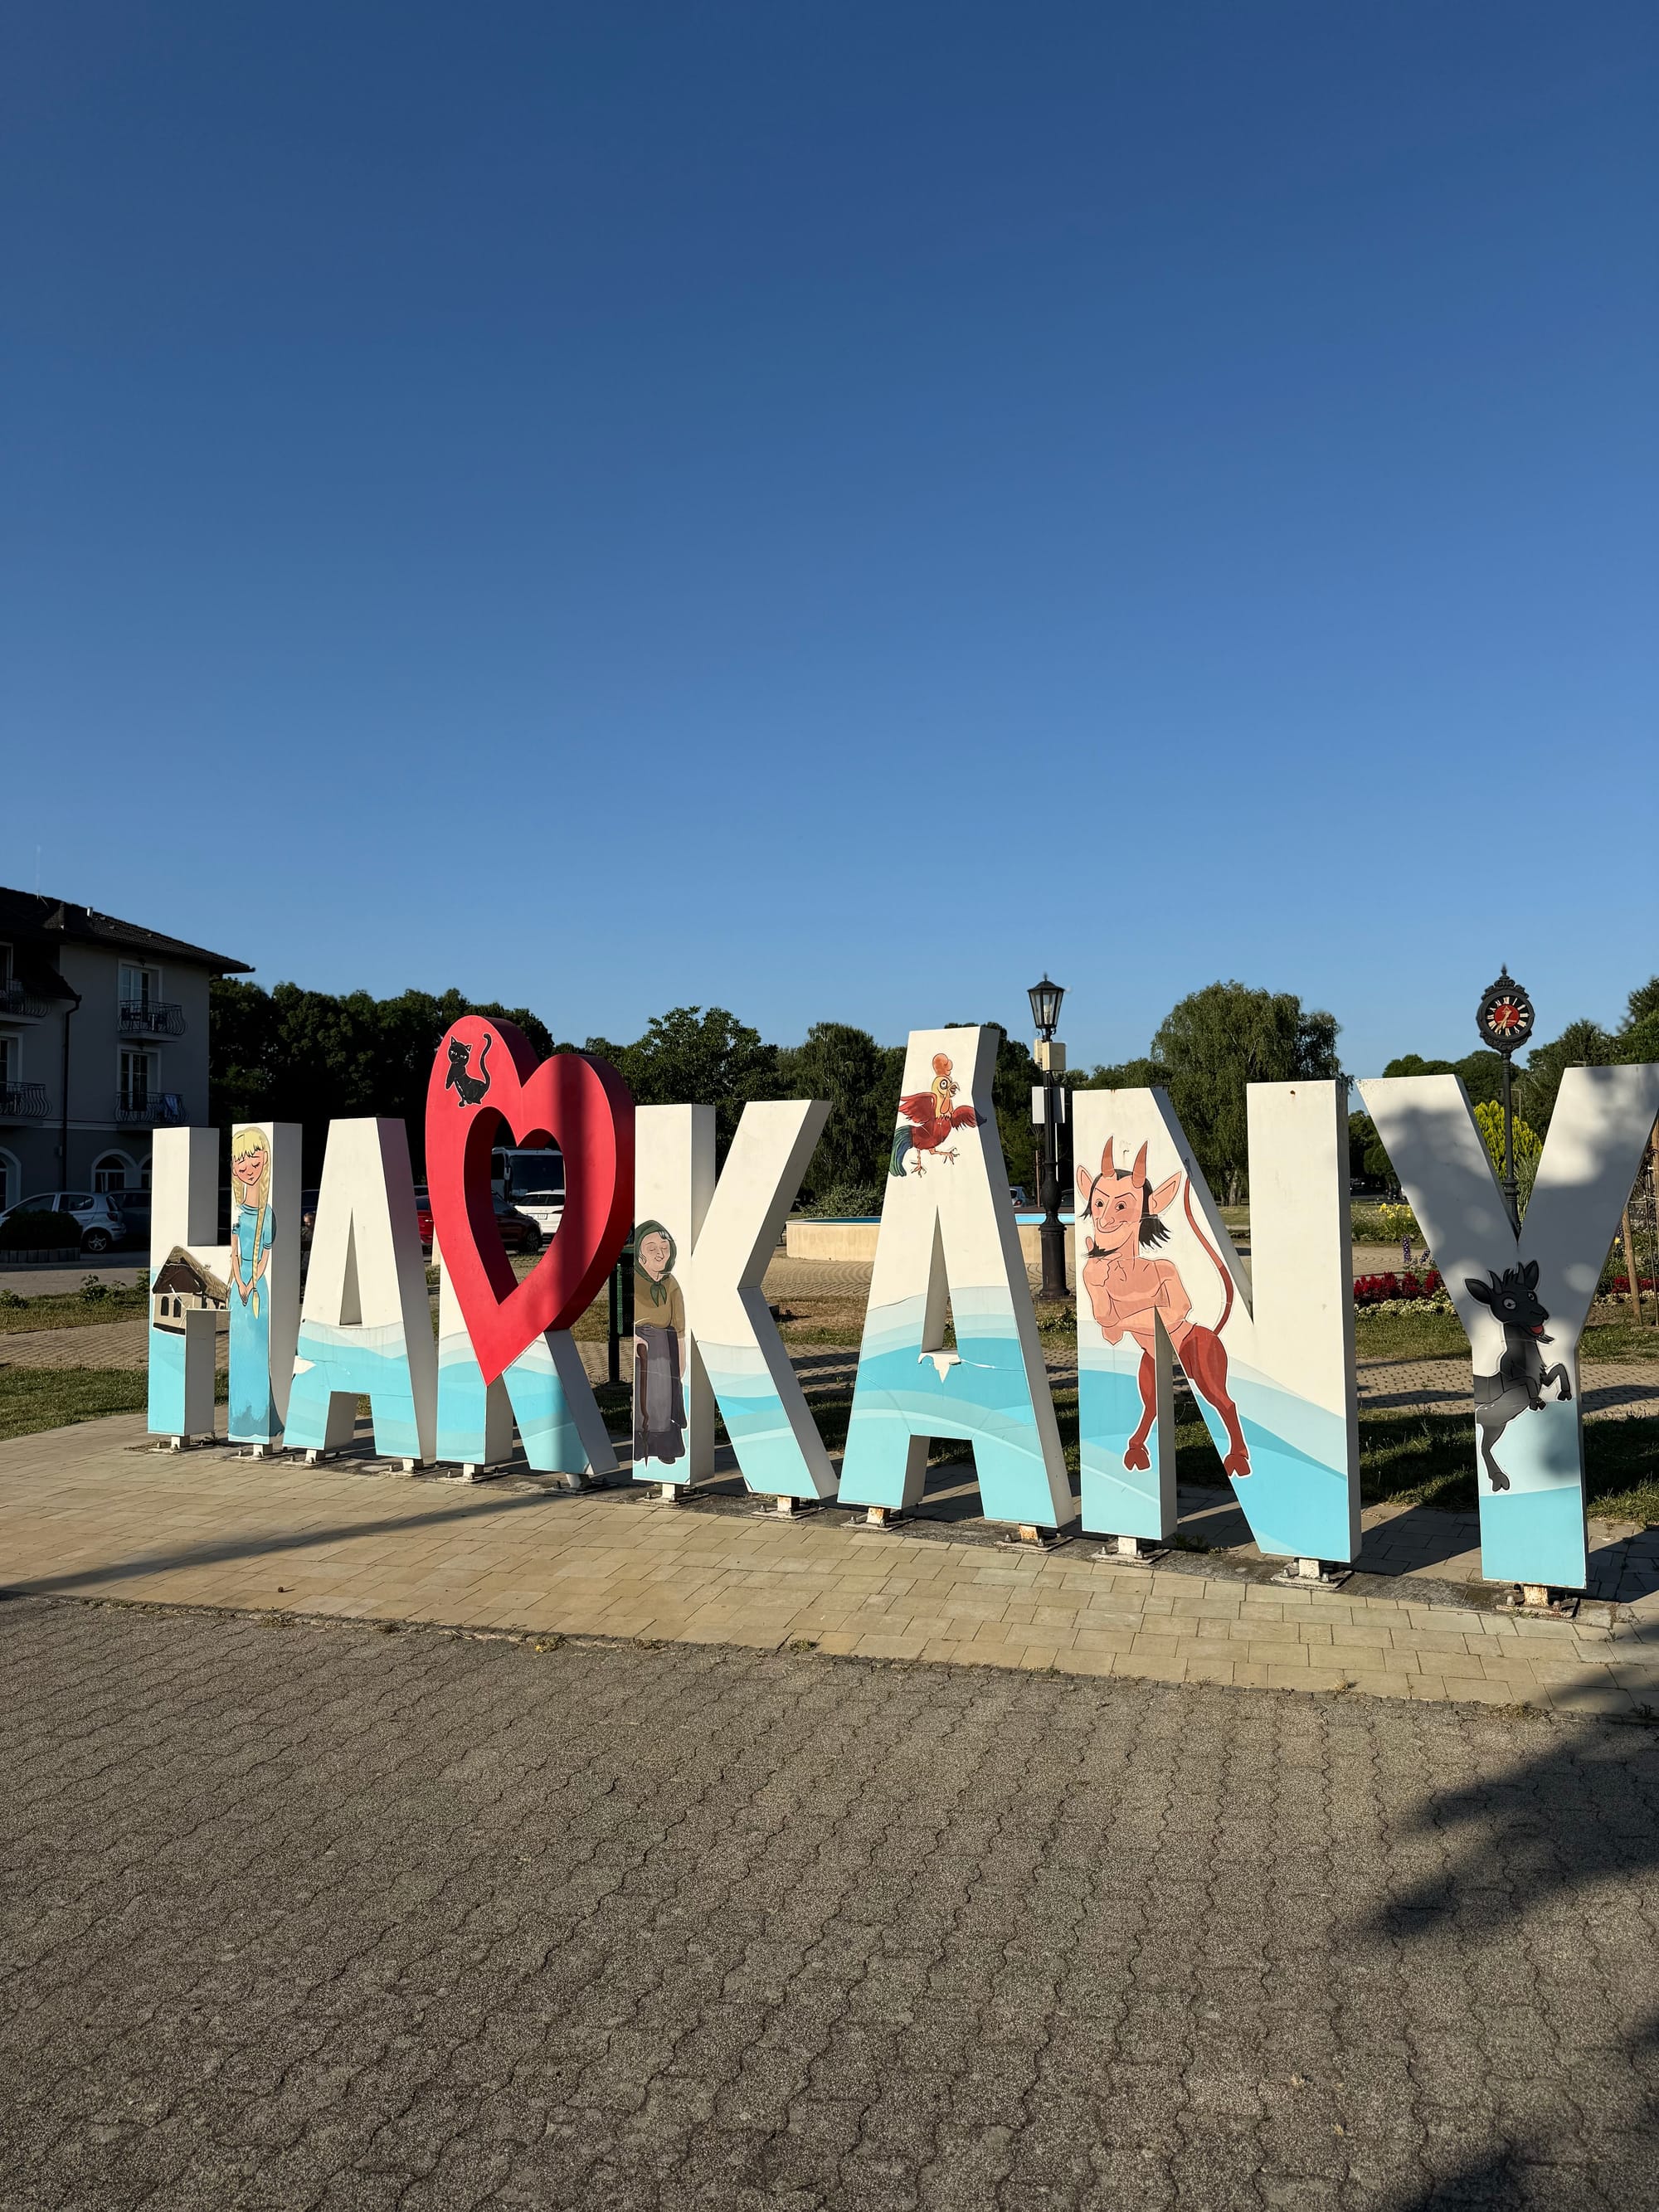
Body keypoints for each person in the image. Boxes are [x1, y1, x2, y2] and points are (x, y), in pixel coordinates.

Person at [228, 1125, 277, 1441]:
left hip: (258, 1288)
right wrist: (240, 1282)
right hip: (240, 1288)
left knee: (259, 1350)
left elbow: (265, 1255)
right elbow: (234, 1252)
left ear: (265, 1160)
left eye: (254, 1161)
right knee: (241, 1353)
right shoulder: (237, 1213)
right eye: (241, 1162)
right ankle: (241, 1417)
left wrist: (253, 1282)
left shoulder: (267, 1214)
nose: (248, 1168)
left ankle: (260, 1415)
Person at [633, 1218, 686, 1468]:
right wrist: (631, 1337)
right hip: (639, 1343)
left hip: (664, 1344)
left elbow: (680, 1326)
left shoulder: (671, 1283)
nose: (659, 1253)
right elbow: (622, 1312)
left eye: (664, 1247)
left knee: (662, 1398)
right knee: (641, 1397)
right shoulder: (630, 1276)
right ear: (640, 1253)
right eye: (651, 1248)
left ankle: (663, 1446)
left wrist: (682, 1358)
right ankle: (640, 1446)